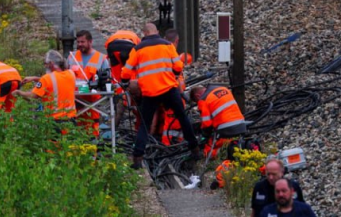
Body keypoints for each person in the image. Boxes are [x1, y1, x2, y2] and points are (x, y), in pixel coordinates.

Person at [121, 22, 200, 169]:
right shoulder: (168, 45)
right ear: (156, 31)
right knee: (183, 117)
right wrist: (174, 75)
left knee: (144, 125)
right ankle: (195, 150)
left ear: (144, 34)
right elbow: (177, 66)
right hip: (169, 89)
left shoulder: (137, 49)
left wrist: (125, 82)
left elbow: (125, 72)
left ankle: (137, 158)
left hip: (150, 93)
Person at [13, 50, 77, 123]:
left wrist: (19, 93)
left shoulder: (47, 78)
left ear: (51, 63)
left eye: (45, 63)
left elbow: (32, 97)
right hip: (71, 119)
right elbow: (56, 81)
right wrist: (35, 78)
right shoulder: (71, 74)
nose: (45, 66)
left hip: (55, 120)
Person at [69, 30, 109, 137]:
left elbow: (107, 80)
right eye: (78, 42)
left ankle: (92, 150)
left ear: (90, 42)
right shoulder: (71, 57)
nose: (80, 45)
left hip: (92, 100)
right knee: (74, 127)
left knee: (92, 127)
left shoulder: (101, 58)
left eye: (82, 42)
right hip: (74, 99)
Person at [190, 85, 246, 159]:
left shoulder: (203, 100)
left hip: (226, 130)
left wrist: (205, 136)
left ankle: (215, 156)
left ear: (197, 96)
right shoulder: (223, 89)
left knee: (208, 148)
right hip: (242, 124)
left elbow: (207, 124)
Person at [105, 29, 141, 127]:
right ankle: (129, 97)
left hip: (112, 46)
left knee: (117, 80)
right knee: (130, 76)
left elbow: (108, 53)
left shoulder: (114, 35)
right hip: (129, 47)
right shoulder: (136, 38)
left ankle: (120, 98)